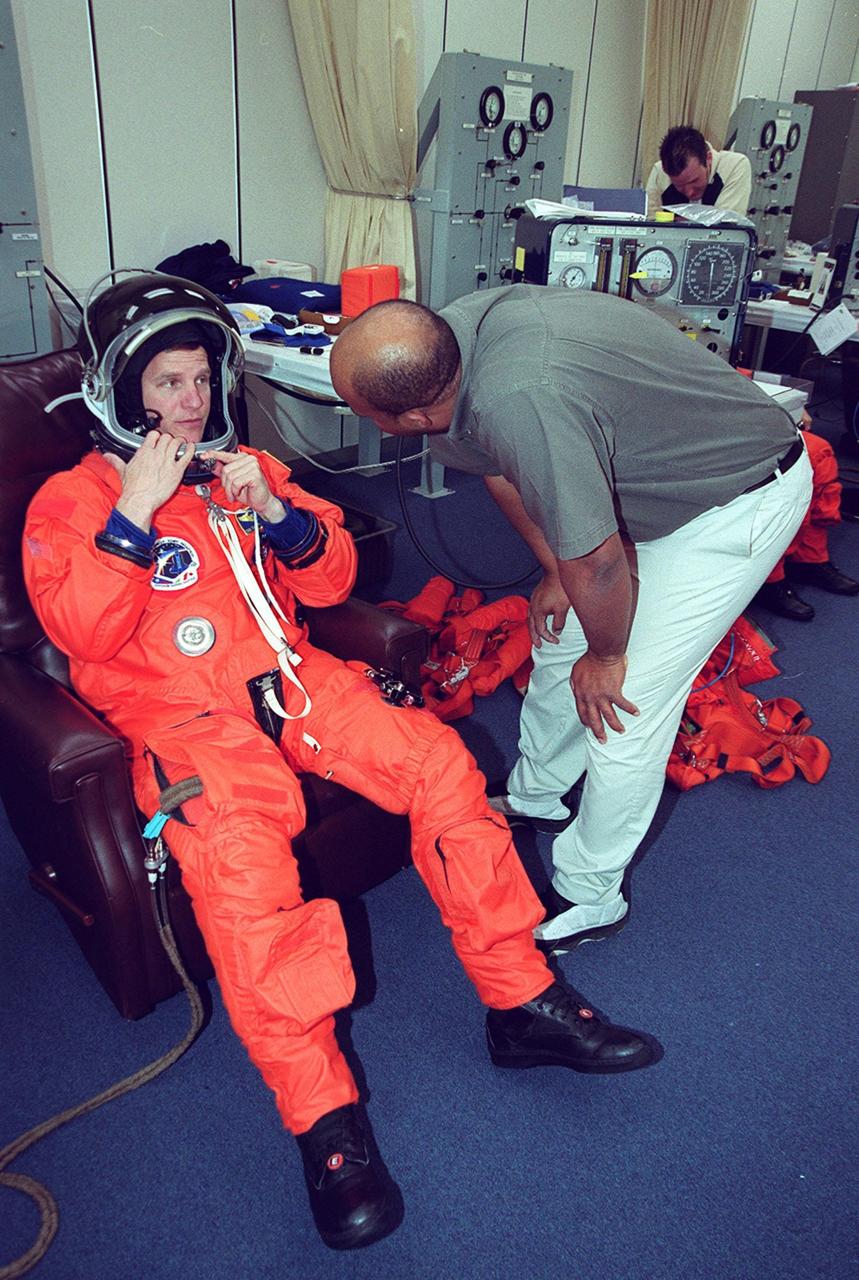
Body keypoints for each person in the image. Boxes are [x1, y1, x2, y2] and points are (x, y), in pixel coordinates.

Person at [23, 273, 657, 1252]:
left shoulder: (244, 467)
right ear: (119, 392)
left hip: (292, 678)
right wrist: (134, 515)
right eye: (167, 383)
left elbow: (333, 577)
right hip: (185, 722)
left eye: (201, 378)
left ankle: (520, 999)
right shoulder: (72, 501)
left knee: (441, 765)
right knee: (243, 870)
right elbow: (82, 633)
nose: (191, 400)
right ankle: (323, 1121)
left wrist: (275, 516)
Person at [329, 286, 813, 955]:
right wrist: (554, 572)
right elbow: (504, 470)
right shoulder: (451, 350)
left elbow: (597, 558)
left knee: (624, 704)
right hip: (645, 487)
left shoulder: (518, 398)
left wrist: (608, 657)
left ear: (411, 416)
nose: (364, 421)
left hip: (733, 500)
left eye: (363, 413)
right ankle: (538, 796)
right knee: (559, 640)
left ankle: (591, 893)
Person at [752, 411, 858, 620]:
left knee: (818, 452)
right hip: (716, 428)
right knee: (784, 476)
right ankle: (769, 579)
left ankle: (809, 558)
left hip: (753, 415)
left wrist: (792, 408)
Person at [645, 125, 751, 218]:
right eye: (679, 186)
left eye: (694, 181)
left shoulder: (734, 166)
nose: (689, 192)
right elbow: (649, 223)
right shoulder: (660, 172)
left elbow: (726, 225)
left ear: (708, 158)